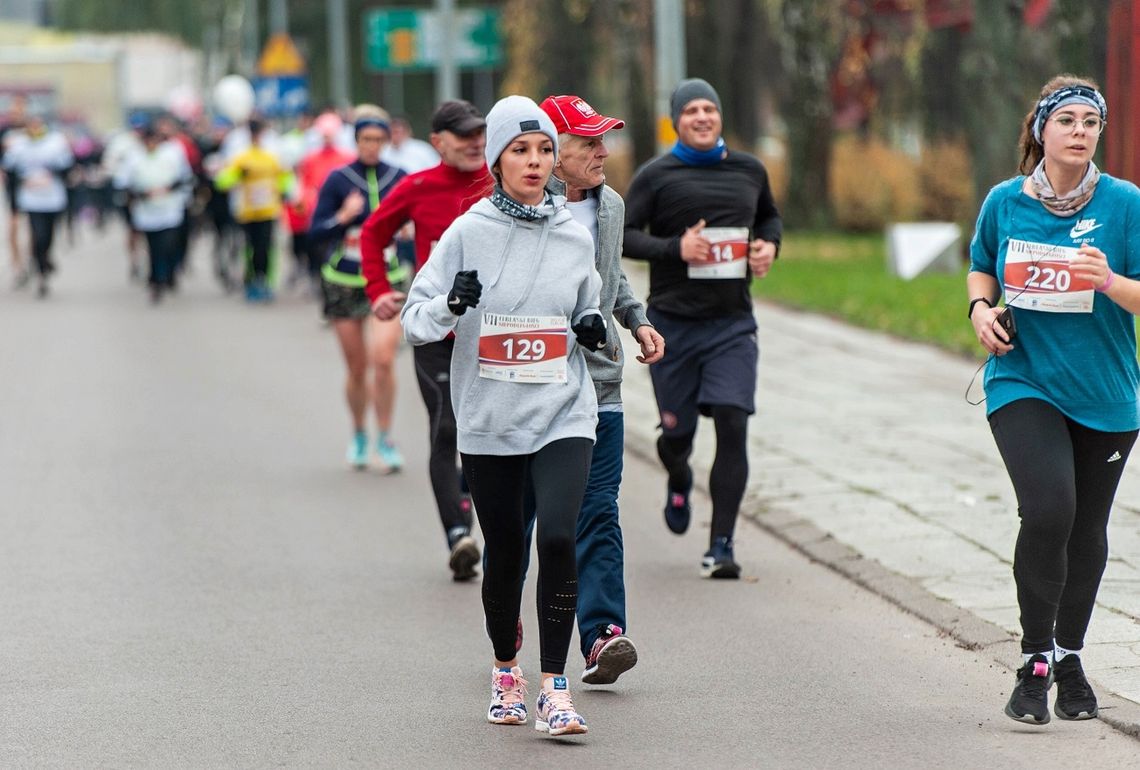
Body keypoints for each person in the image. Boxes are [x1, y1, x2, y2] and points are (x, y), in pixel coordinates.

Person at [401, 95, 602, 736]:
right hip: (490, 418)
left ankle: (555, 688)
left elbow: (585, 310)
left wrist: (592, 327)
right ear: (496, 160)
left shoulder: (576, 233)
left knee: (561, 538)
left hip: (563, 408)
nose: (536, 161)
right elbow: (414, 319)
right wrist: (451, 308)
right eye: (521, 150)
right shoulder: (467, 233)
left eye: (545, 149)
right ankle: (505, 668)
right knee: (507, 554)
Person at [967, 74, 1140, 726]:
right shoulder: (1006, 202)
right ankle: (1035, 660)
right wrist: (981, 308)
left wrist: (1111, 281)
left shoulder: (1125, 205)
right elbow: (981, 263)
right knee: (1048, 509)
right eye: (1066, 120)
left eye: (1090, 123)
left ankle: (1070, 657)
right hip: (1024, 379)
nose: (1080, 132)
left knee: (1087, 531)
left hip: (1107, 394)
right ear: (1041, 129)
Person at [508, 93, 665, 684]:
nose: (603, 152)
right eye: (588, 142)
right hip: (530, 385)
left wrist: (639, 319)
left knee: (598, 510)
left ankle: (603, 634)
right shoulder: (517, 209)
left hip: (598, 384)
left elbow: (612, 272)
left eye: (603, 139)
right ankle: (507, 617)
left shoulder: (610, 206)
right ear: (554, 153)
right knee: (522, 517)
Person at [623, 78, 781, 578]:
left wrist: (769, 247)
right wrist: (676, 250)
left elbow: (770, 219)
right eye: (690, 110)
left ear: (719, 117)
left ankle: (722, 546)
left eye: (708, 108)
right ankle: (676, 471)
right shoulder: (656, 175)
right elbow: (621, 235)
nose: (701, 117)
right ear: (676, 120)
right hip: (672, 325)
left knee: (733, 422)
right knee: (679, 434)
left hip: (732, 323)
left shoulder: (749, 170)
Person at [360, 99, 493, 580]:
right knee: (446, 428)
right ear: (437, 141)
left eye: (480, 132)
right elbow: (372, 234)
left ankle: (467, 503)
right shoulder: (417, 188)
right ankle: (458, 535)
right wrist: (378, 291)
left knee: (483, 436)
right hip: (437, 330)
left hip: (490, 335)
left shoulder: (501, 184)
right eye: (463, 135)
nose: (476, 142)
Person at [310, 108, 406, 470]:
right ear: (356, 141)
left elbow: (421, 223)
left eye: (378, 140)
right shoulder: (339, 180)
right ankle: (359, 433)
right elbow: (315, 231)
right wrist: (343, 218)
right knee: (357, 368)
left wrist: (409, 234)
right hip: (345, 281)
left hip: (389, 279)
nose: (372, 146)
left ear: (386, 141)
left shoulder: (400, 178)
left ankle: (385, 435)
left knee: (383, 359)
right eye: (366, 139)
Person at [214, 118, 292, 302]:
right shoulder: (241, 158)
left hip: (268, 210)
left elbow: (285, 176)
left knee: (266, 248)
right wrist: (239, 175)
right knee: (249, 248)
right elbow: (222, 181)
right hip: (247, 211)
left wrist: (283, 192)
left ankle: (266, 282)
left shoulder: (271, 157)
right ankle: (251, 282)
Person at [119, 123, 193, 303]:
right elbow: (123, 183)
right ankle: (156, 280)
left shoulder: (173, 154)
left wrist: (169, 190)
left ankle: (168, 273)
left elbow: (184, 178)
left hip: (170, 209)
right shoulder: (134, 157)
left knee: (168, 245)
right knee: (153, 248)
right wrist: (141, 194)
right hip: (146, 212)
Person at [3, 114, 74, 298]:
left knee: (49, 235)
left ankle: (45, 259)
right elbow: (9, 169)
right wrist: (24, 180)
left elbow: (67, 166)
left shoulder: (56, 142)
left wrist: (52, 173)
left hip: (53, 198)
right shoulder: (18, 144)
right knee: (38, 235)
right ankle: (41, 269)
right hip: (31, 199)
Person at [290, 112, 355, 294]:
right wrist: (301, 202)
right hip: (317, 211)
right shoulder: (311, 158)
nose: (327, 138)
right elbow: (304, 183)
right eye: (324, 134)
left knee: (336, 248)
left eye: (330, 134)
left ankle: (333, 282)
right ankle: (317, 279)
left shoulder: (346, 157)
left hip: (340, 212)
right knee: (315, 248)